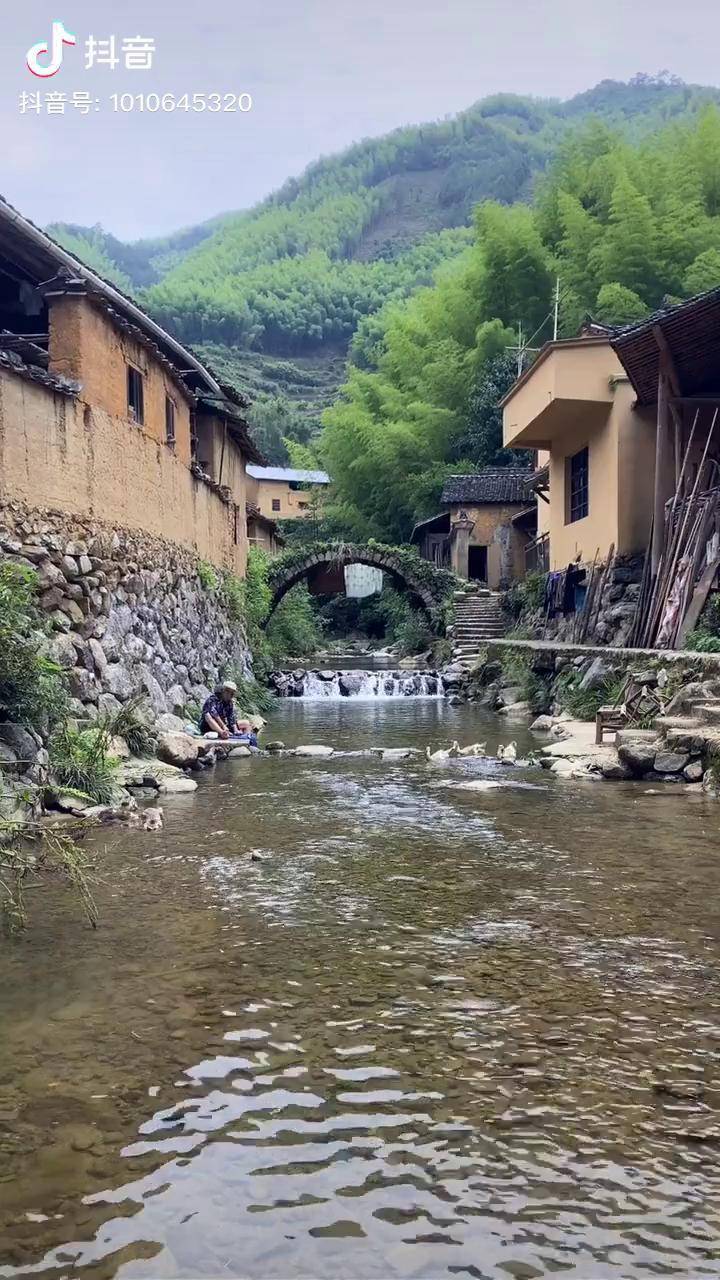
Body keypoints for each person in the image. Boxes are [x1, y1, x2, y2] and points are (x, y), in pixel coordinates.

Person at [200, 681, 259, 746]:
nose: (229, 694)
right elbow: (214, 714)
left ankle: (248, 743)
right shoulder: (212, 699)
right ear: (223, 691)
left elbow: (231, 717)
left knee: (246, 723)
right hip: (210, 726)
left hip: (224, 726)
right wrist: (223, 727)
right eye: (227, 691)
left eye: (231, 693)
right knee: (207, 715)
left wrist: (235, 729)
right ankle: (222, 733)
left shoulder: (229, 703)